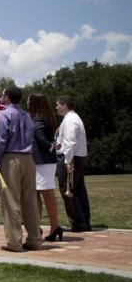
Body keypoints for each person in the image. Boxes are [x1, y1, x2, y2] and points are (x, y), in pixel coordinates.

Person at [0, 86, 41, 252]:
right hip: (29, 158)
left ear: (6, 97)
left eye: (2, 94)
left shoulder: (3, 115)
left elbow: (0, 142)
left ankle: (14, 242)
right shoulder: (27, 115)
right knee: (30, 201)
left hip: (10, 158)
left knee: (11, 201)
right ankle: (34, 239)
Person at [27, 93, 64, 241]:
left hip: (42, 162)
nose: (27, 103)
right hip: (42, 162)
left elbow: (41, 139)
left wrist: (51, 146)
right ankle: (38, 227)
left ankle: (54, 226)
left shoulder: (38, 119)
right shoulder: (44, 118)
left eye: (29, 101)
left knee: (47, 194)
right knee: (38, 195)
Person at [55, 95, 91, 232]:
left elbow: (70, 142)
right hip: (77, 156)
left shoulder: (69, 120)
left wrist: (67, 161)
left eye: (58, 104)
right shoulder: (73, 118)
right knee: (79, 190)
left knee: (68, 190)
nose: (56, 107)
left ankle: (78, 223)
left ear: (65, 105)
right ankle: (84, 221)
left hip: (71, 157)